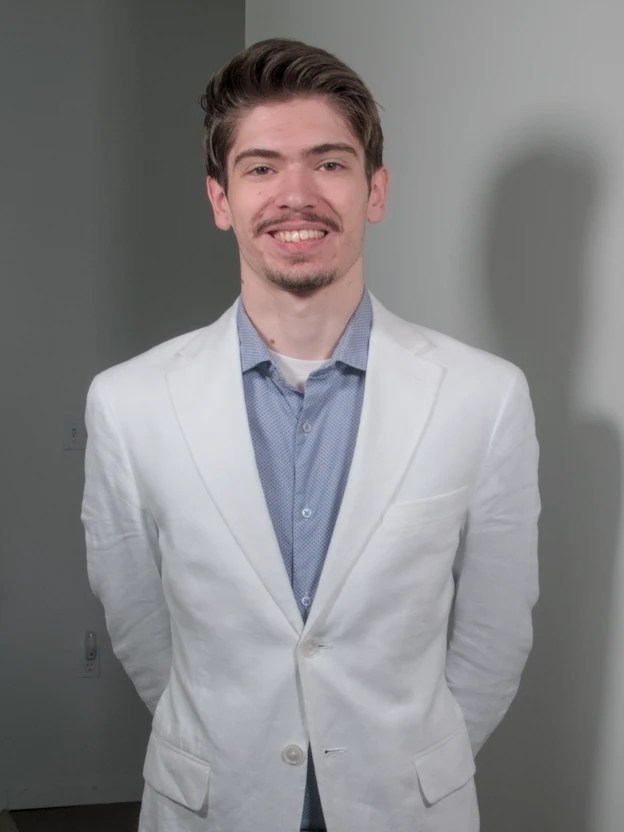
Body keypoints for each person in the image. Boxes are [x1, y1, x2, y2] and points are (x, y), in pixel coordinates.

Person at [81, 38, 540, 832]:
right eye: (261, 168)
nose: (297, 195)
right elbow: (136, 619)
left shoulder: (485, 396)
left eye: (329, 163)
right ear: (221, 200)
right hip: (212, 803)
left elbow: (496, 632)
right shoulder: (129, 402)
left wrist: (415, 762)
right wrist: (230, 743)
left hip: (407, 807)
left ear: (376, 190)